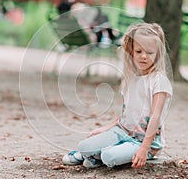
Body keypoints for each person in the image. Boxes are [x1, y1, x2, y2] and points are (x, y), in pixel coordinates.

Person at [62, 23, 173, 168]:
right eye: (139, 51)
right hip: (122, 132)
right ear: (131, 52)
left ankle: (98, 156)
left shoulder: (159, 81)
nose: (144, 56)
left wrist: (144, 149)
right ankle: (91, 153)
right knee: (84, 145)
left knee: (109, 156)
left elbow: (155, 117)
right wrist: (105, 128)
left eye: (150, 52)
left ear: (158, 53)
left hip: (144, 142)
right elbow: (126, 114)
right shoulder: (130, 78)